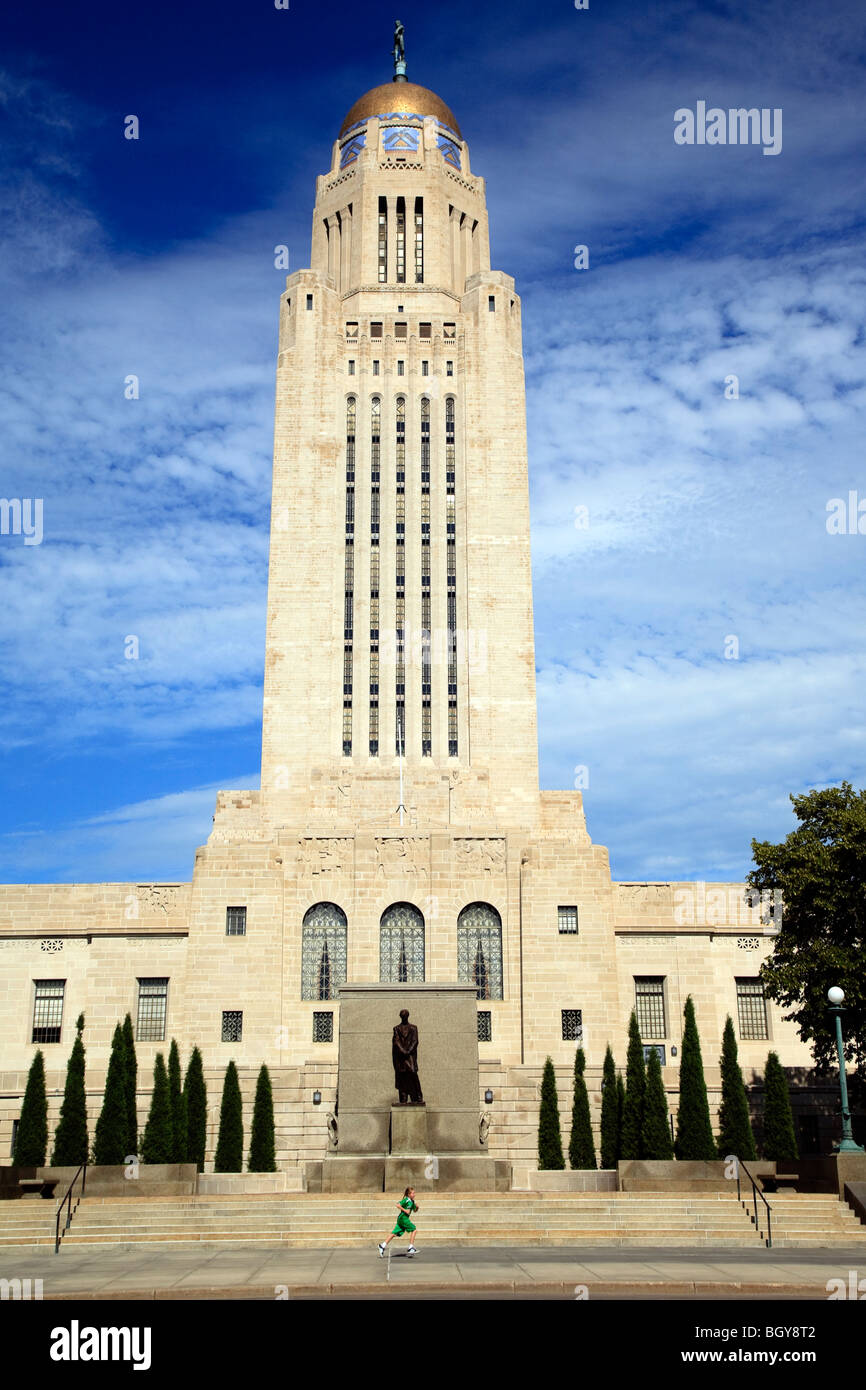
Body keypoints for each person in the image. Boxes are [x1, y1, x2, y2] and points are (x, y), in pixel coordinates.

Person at [392, 1009, 423, 1104]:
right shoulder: (396, 1028)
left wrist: (408, 1051)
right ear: (400, 1017)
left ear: (407, 1016)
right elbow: (396, 1041)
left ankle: (417, 1097)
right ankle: (403, 1098)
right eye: (402, 1016)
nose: (404, 1017)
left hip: (410, 1058)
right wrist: (403, 1051)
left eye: (405, 1016)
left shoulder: (413, 1028)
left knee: (413, 1075)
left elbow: (415, 1041)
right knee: (402, 1078)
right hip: (401, 1058)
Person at [378, 1187, 419, 1257]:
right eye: (413, 1193)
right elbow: (397, 1204)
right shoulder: (406, 1200)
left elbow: (414, 1211)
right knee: (414, 1230)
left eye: (414, 1193)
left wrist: (417, 1207)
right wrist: (404, 1210)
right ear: (408, 1194)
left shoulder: (412, 1201)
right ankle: (411, 1247)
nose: (414, 1194)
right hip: (403, 1218)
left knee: (394, 1233)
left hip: (402, 1219)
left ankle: (382, 1245)